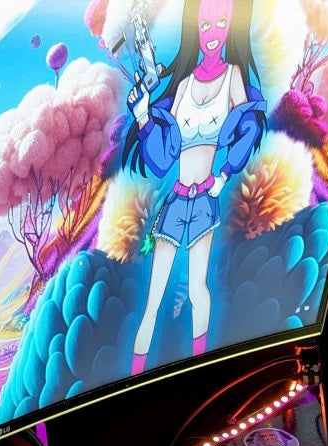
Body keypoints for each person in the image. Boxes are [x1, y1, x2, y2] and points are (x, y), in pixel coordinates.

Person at [123, 0, 267, 373]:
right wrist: (143, 118)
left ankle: (201, 370)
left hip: (205, 198)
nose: (212, 33)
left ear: (231, 25)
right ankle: (134, 378)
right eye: (204, 25)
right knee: (153, 300)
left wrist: (224, 175)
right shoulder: (184, 84)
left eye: (221, 23)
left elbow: (248, 126)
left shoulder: (233, 75)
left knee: (197, 292)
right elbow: (162, 159)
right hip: (175, 201)